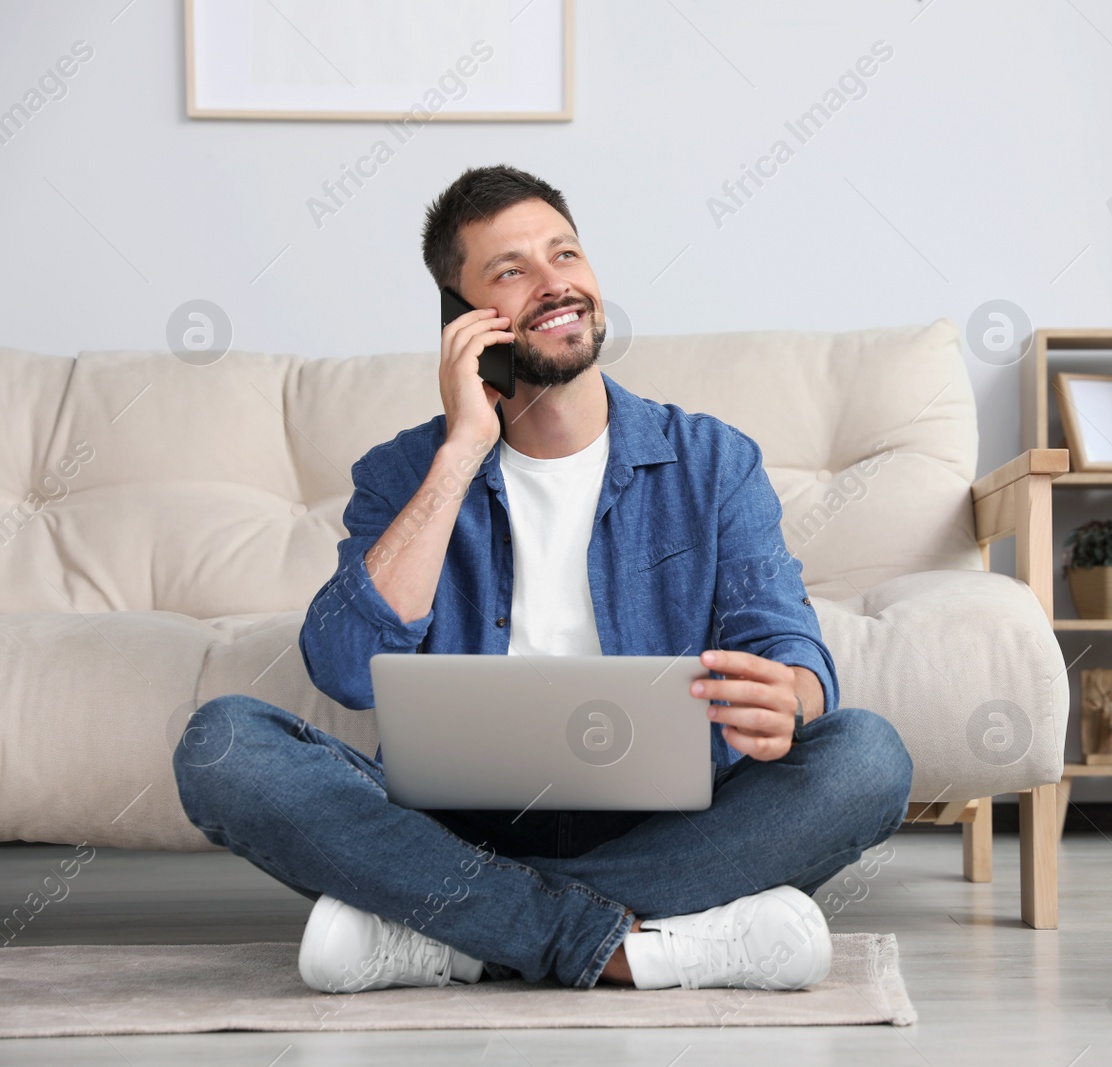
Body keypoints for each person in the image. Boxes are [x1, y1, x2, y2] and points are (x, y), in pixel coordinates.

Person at [173, 164, 913, 995]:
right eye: (511, 269)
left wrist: (795, 694)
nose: (555, 281)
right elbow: (343, 666)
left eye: (566, 253)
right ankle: (643, 945)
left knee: (867, 759)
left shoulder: (711, 461)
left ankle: (459, 935)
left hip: (670, 822)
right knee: (222, 743)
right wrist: (460, 453)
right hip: (447, 834)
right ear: (465, 323)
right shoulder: (404, 472)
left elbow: (786, 643)